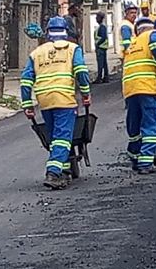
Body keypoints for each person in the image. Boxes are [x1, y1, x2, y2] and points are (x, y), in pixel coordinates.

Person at [21, 16, 91, 190]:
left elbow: (26, 80)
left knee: (54, 138)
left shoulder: (37, 53)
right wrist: (85, 93)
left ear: (48, 32)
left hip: (44, 100)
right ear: (66, 32)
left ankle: (64, 171)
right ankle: (53, 172)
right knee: (63, 138)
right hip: (64, 99)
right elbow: (81, 71)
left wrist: (27, 105)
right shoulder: (73, 49)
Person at [123, 16, 156, 174]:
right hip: (146, 87)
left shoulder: (132, 44)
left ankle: (135, 158)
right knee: (152, 124)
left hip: (130, 90)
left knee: (135, 126)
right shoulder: (153, 34)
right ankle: (146, 162)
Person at [93, 12, 109, 84]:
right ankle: (106, 77)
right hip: (102, 47)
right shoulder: (101, 27)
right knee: (104, 63)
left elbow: (103, 37)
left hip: (100, 48)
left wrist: (97, 44)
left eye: (97, 17)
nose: (96, 19)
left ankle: (99, 78)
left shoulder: (102, 27)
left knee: (100, 63)